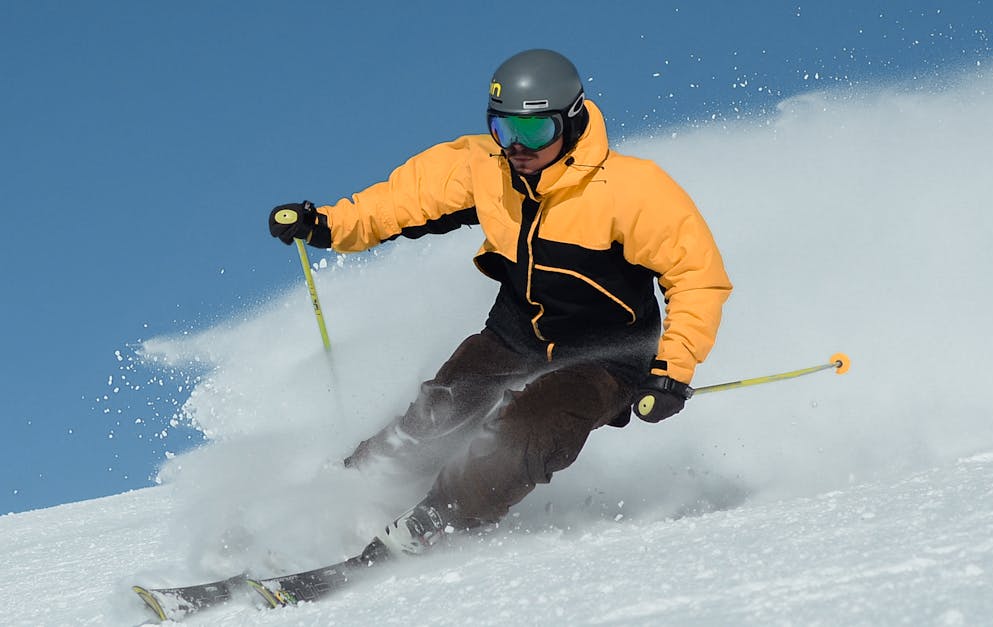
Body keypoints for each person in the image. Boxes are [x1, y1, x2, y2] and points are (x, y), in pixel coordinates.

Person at [267, 49, 731, 559]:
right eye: (503, 130)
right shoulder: (486, 167)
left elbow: (697, 277)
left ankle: (435, 520)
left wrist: (672, 371)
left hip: (609, 354)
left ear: (571, 122)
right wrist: (329, 224)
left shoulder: (632, 190)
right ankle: (343, 497)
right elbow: (402, 201)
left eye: (532, 133)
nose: (516, 147)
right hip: (517, 333)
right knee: (440, 411)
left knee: (527, 430)